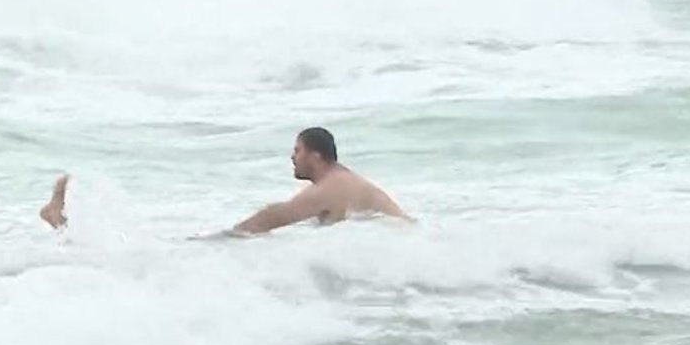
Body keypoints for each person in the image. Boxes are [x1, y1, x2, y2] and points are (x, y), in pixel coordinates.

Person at [39, 127, 413, 235]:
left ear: (316, 155)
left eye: (297, 150)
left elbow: (278, 215)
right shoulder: (341, 183)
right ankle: (65, 224)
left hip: (400, 260)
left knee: (189, 249)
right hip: (398, 260)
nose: (291, 156)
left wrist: (229, 238)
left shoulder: (333, 187)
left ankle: (66, 225)